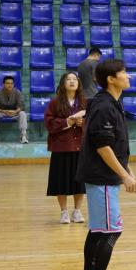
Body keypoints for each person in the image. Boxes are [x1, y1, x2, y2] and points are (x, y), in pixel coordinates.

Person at [75, 58, 136, 270]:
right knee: (111, 231)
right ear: (111, 79)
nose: (128, 76)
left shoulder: (110, 103)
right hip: (102, 177)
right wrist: (124, 175)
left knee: (98, 230)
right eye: (124, 72)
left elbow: (115, 145)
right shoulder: (104, 106)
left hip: (101, 176)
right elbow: (102, 147)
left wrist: (128, 169)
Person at [44, 71, 87, 224]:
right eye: (68, 79)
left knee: (79, 182)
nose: (72, 81)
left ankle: (77, 211)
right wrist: (68, 122)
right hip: (60, 147)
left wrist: (82, 123)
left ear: (78, 83)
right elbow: (49, 123)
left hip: (80, 147)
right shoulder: (55, 102)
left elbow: (92, 122)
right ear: (63, 83)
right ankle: (63, 211)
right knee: (60, 181)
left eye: (75, 79)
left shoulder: (84, 102)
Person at [0, 75, 29, 145]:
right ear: (3, 84)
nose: (10, 85)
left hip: (14, 112)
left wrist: (15, 111)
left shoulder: (17, 92)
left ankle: (23, 136)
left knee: (22, 113)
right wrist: (4, 111)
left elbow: (22, 106)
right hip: (2, 112)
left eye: (11, 83)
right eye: (7, 83)